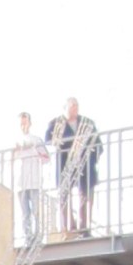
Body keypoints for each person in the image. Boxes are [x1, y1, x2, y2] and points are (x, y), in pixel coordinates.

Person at [45, 98, 103, 235]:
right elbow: (48, 139)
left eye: (76, 105)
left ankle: (84, 226)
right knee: (65, 195)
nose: (75, 108)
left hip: (85, 164)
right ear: (65, 108)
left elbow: (98, 143)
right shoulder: (56, 124)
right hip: (65, 164)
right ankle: (69, 226)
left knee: (85, 194)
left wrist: (93, 156)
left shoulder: (87, 123)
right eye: (72, 106)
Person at [14, 112, 49, 241]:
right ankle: (27, 237)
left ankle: (38, 236)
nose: (23, 126)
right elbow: (11, 158)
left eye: (25, 122)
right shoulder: (15, 141)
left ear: (30, 123)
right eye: (21, 124)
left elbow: (46, 158)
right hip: (20, 182)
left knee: (36, 211)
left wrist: (33, 149)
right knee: (25, 213)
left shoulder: (36, 140)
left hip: (34, 181)